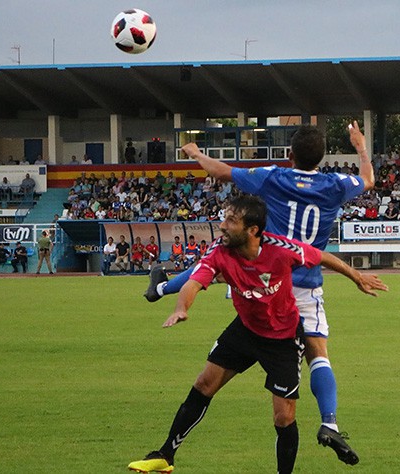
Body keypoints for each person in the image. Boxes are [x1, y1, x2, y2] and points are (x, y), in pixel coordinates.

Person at [143, 122, 373, 464]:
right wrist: (360, 146)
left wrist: (195, 153)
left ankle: (160, 286)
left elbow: (222, 172)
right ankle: (330, 422)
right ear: (321, 157)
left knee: (218, 266)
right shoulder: (335, 184)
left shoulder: (272, 177)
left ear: (289, 154)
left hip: (266, 267)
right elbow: (368, 180)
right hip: (304, 278)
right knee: (318, 355)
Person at [127, 195, 387, 474]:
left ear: (253, 230)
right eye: (224, 218)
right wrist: (181, 308)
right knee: (204, 384)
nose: (222, 225)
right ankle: (165, 455)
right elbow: (194, 281)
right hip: (246, 330)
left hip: (283, 338)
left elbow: (320, 256)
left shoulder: (280, 249)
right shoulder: (220, 251)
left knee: (283, 416)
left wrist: (357, 277)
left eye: (231, 221)